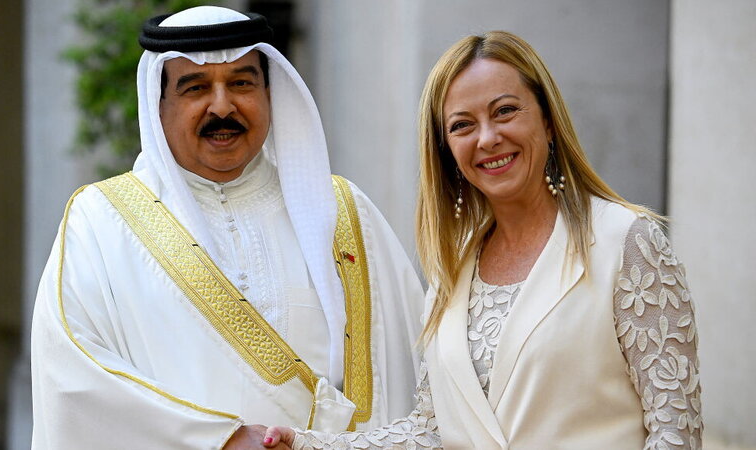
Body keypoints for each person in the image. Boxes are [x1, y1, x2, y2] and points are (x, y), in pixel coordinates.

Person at [265, 30, 702, 449]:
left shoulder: (626, 241)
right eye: (462, 125)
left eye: (505, 111)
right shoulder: (451, 270)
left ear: (548, 121)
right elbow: (431, 433)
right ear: (447, 151)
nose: (489, 138)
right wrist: (306, 444)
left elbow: (674, 431)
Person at [30, 6, 424, 449]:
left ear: (269, 95)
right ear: (158, 106)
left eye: (241, 83)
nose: (222, 106)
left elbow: (414, 372)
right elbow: (73, 377)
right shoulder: (101, 222)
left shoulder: (344, 212)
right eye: (196, 87)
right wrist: (221, 439)